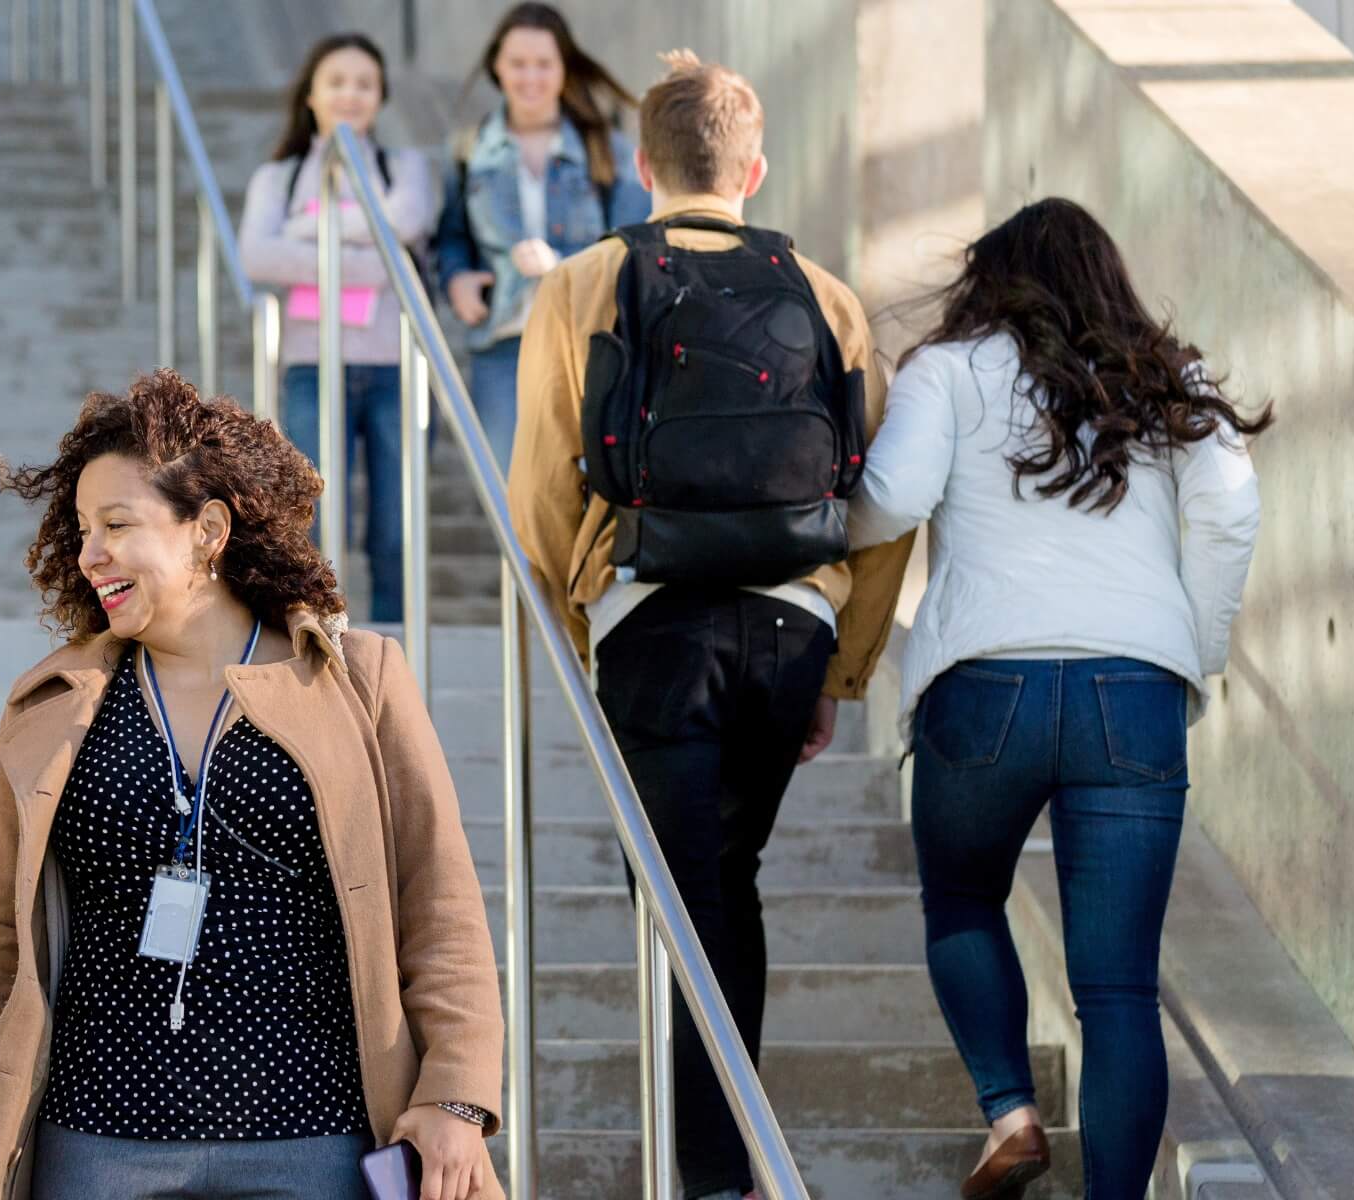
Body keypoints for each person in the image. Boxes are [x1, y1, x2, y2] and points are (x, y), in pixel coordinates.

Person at [0, 370, 503, 1200]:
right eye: (83, 528)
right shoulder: (51, 706)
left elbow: (439, 902)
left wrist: (456, 1090)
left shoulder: (360, 680)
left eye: (118, 525)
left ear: (208, 530)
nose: (90, 553)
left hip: (313, 1135)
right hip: (96, 1139)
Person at [507, 54, 914, 1200]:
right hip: (789, 629)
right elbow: (877, 508)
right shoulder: (825, 296)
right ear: (755, 167)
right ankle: (724, 1160)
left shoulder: (588, 282)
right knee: (724, 881)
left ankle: (718, 1174)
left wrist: (584, 625)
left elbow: (541, 483)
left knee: (684, 900)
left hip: (654, 622)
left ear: (642, 166)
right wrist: (846, 664)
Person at [846, 198, 1269, 1200]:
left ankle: (1012, 1112)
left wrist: (823, 530)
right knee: (1119, 986)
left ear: (989, 280)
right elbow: (1231, 512)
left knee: (960, 899)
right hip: (1134, 688)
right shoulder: (1171, 376)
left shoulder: (947, 372)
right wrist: (1192, 651)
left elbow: (894, 499)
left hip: (986, 685)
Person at [237, 32, 435, 624]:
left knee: (395, 529)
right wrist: (366, 244)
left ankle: (395, 647)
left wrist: (310, 234)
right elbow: (256, 257)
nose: (351, 95)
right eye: (337, 82)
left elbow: (408, 227)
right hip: (310, 367)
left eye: (364, 84)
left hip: (396, 369)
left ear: (380, 97)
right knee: (309, 521)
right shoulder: (280, 178)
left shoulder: (406, 168)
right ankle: (313, 637)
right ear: (312, 95)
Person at [431, 1, 647, 465]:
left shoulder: (606, 151)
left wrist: (563, 266)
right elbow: (451, 236)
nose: (530, 77)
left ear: (564, 68)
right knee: (507, 492)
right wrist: (457, 279)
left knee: (590, 489)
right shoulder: (470, 149)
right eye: (518, 63)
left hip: (586, 344)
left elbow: (633, 249)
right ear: (497, 67)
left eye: (543, 64)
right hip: (502, 347)